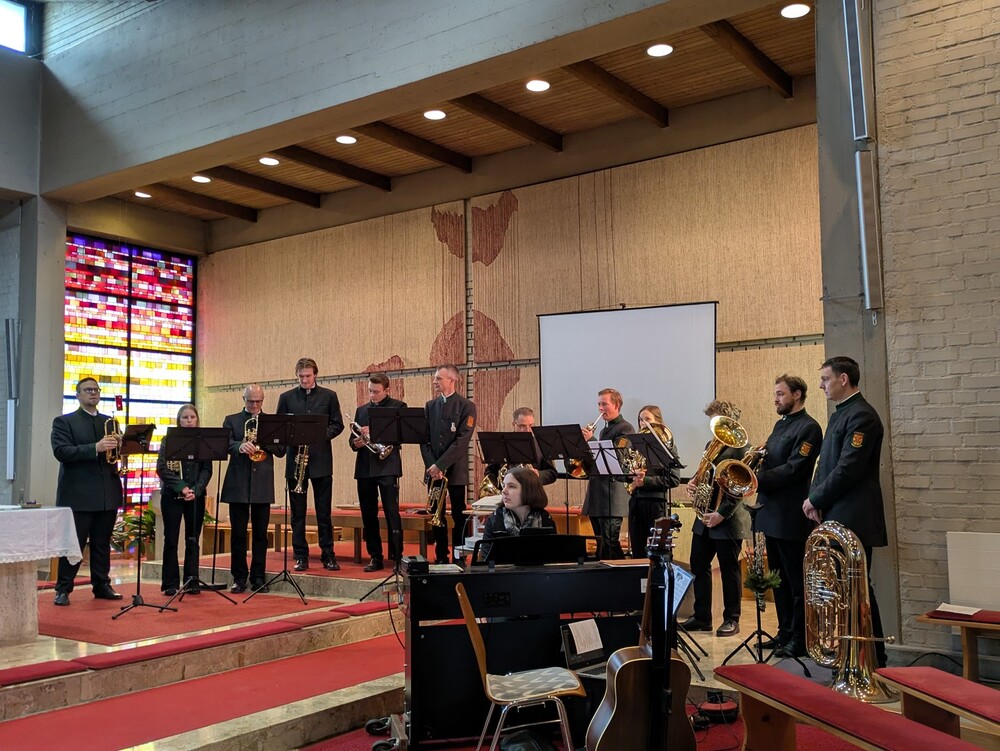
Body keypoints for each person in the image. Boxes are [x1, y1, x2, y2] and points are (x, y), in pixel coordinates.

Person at [802, 356, 889, 667]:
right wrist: (815, 499)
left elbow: (847, 468)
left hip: (854, 515)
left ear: (843, 379)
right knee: (842, 590)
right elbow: (824, 465)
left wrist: (816, 498)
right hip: (837, 513)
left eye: (825, 379)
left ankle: (873, 660)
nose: (821, 385)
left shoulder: (862, 415)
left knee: (857, 590)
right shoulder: (842, 413)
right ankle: (849, 658)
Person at [754, 376, 823, 658]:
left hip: (790, 514)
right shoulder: (779, 425)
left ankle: (800, 638)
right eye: (775, 394)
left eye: (781, 394)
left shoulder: (809, 428)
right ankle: (784, 632)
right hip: (770, 512)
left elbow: (795, 468)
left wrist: (756, 479)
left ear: (797, 394)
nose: (776, 399)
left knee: (796, 582)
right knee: (778, 580)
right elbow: (772, 460)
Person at [50, 377, 125, 606]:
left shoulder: (109, 422)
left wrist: (122, 445)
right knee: (74, 544)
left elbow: (116, 456)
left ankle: (102, 585)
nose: (93, 393)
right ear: (78, 395)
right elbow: (62, 452)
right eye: (88, 390)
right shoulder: (64, 422)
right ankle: (63, 589)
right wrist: (95, 447)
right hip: (79, 494)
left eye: (96, 390)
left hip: (106, 492)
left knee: (102, 544)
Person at [683, 400, 751, 637]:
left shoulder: (743, 448)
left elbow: (739, 488)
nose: (712, 427)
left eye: (715, 421)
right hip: (705, 517)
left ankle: (732, 618)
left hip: (727, 519)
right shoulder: (711, 445)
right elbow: (705, 472)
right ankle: (702, 616)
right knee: (698, 564)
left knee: (728, 569)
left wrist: (721, 513)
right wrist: (694, 481)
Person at [276, 357, 345, 572]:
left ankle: (328, 555)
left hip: (320, 461)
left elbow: (337, 424)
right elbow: (280, 427)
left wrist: (318, 435)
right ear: (296, 376)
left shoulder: (329, 396)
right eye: (301, 376)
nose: (304, 380)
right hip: (295, 461)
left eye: (308, 376)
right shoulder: (286, 398)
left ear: (315, 375)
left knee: (324, 512)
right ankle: (300, 556)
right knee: (298, 514)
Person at [220, 385, 286, 594]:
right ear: (244, 399)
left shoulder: (272, 422)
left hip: (262, 484)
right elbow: (225, 444)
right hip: (238, 483)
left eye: (258, 401)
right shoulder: (231, 420)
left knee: (260, 534)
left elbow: (281, 450)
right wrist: (240, 446)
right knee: (238, 534)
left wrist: (265, 441)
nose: (255, 405)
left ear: (263, 400)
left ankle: (258, 577)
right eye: (251, 401)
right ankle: (239, 577)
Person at [420, 364, 477, 564]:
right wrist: (432, 466)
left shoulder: (466, 406)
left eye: (438, 378)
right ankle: (441, 556)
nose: (435, 382)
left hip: (455, 471)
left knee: (460, 515)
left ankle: (459, 556)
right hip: (433, 471)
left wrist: (441, 465)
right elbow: (424, 440)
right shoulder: (430, 406)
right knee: (437, 514)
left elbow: (462, 440)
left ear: (451, 380)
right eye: (435, 378)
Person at [155, 403, 213, 596]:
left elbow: (207, 469)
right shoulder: (168, 440)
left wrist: (195, 490)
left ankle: (192, 580)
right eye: (185, 417)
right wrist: (182, 487)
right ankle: (170, 583)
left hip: (195, 496)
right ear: (179, 421)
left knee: (193, 539)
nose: (189, 421)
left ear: (197, 419)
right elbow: (162, 468)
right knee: (171, 539)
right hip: (172, 495)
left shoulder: (203, 440)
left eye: (192, 417)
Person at [351, 373, 406, 572]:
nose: (372, 395)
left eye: (376, 392)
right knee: (368, 514)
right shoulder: (361, 410)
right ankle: (375, 556)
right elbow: (352, 441)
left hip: (387, 467)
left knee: (392, 512)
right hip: (365, 468)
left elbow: (401, 436)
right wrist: (357, 442)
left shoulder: (398, 407)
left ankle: (397, 556)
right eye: (370, 391)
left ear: (386, 390)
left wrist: (374, 432)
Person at [581, 388, 634, 560]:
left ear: (616, 405)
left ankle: (618, 574)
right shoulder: (604, 431)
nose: (600, 408)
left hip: (612, 496)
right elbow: (597, 462)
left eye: (604, 404)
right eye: (599, 404)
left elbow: (618, 458)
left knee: (610, 542)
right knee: (601, 543)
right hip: (598, 495)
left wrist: (592, 440)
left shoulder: (626, 428)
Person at [627, 405, 681, 556]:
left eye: (647, 419)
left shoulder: (668, 445)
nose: (643, 423)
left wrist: (646, 481)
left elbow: (674, 479)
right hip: (636, 503)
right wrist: (630, 474)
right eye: (640, 420)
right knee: (637, 552)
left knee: (659, 552)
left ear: (658, 421)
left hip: (656, 505)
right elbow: (625, 470)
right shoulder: (634, 446)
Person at [480, 466, 557, 560]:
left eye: (511, 486)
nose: (504, 491)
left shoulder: (546, 519)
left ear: (529, 490)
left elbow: (553, 559)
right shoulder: (495, 520)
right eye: (504, 486)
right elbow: (484, 561)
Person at [482, 406, 558, 491]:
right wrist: (496, 489)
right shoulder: (501, 443)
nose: (528, 430)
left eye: (530, 425)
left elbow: (552, 473)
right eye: (522, 426)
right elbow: (490, 471)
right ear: (514, 425)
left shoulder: (540, 444)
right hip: (505, 493)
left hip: (531, 493)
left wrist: (539, 474)